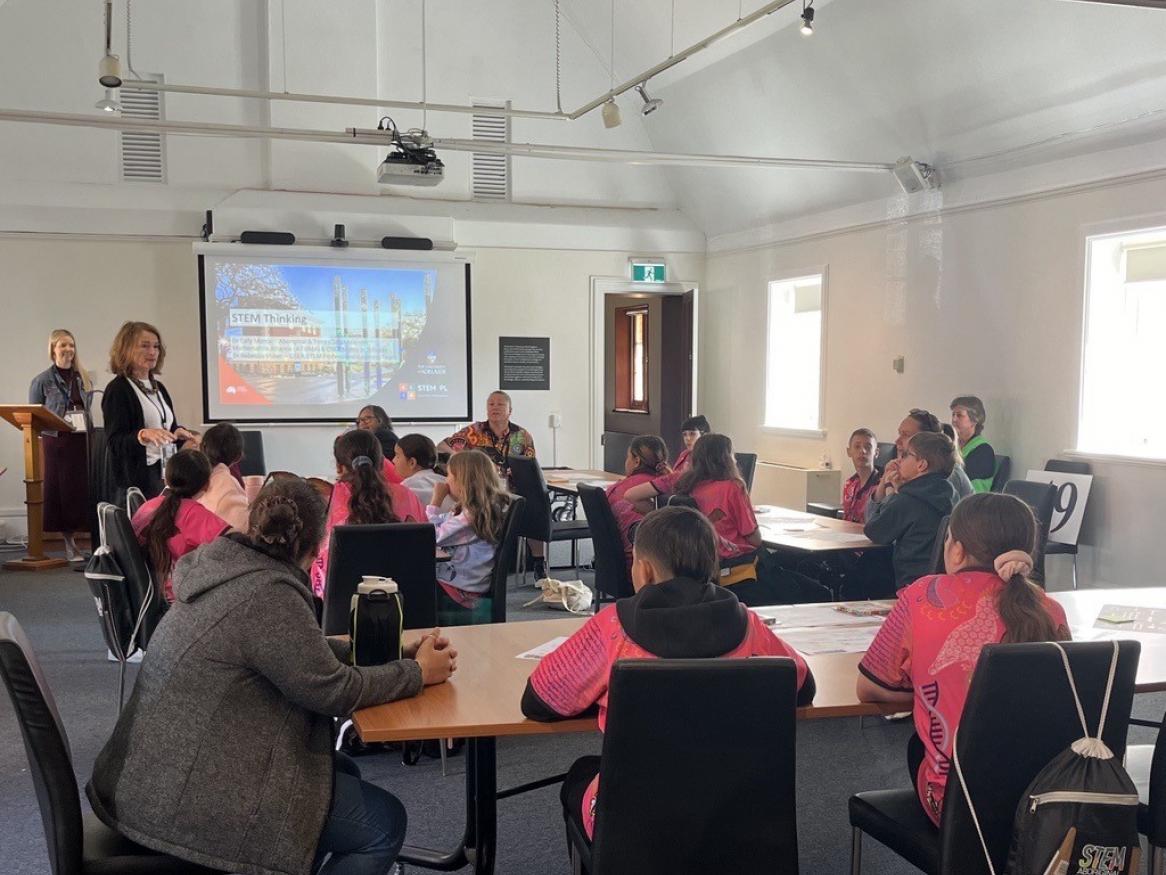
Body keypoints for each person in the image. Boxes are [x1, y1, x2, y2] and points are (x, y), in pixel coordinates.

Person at [88, 476, 457, 875]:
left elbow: (300, 653)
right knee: (383, 825)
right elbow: (332, 690)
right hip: (181, 802)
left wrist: (393, 652)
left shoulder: (228, 568)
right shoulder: (268, 596)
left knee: (339, 770)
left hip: (149, 779)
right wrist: (416, 672)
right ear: (317, 547)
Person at [521, 506, 816, 841]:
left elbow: (538, 700)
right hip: (737, 812)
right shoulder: (748, 625)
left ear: (644, 571)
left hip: (636, 821)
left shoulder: (614, 628)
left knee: (580, 775)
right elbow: (802, 687)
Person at [856, 492, 1070, 825]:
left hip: (960, 808)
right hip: (1044, 806)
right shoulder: (1049, 610)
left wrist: (934, 692)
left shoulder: (922, 596)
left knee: (918, 748)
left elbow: (869, 688)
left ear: (956, 549)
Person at [621, 434, 768, 602]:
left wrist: (666, 517)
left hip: (694, 560)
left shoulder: (679, 479)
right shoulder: (733, 487)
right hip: (734, 564)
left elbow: (631, 495)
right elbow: (754, 539)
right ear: (726, 458)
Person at [310, 429, 427, 597]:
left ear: (339, 467)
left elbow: (322, 569)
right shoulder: (407, 496)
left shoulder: (331, 500)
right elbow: (422, 549)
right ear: (382, 463)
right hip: (405, 603)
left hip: (344, 609)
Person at [102, 321, 200, 500]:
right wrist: (142, 435)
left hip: (164, 473)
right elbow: (114, 442)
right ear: (126, 349)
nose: (152, 352)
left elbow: (166, 428)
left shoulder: (159, 387)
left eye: (156, 346)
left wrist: (177, 432)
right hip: (136, 479)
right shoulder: (118, 389)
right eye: (145, 346)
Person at [428, 449, 513, 625]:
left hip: (461, 589)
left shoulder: (470, 516)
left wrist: (435, 502)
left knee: (408, 586)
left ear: (462, 481)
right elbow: (444, 524)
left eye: (449, 476)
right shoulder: (481, 507)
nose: (446, 481)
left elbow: (432, 536)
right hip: (468, 582)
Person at [131, 449, 230, 603]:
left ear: (166, 480)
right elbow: (232, 544)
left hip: (147, 595)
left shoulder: (147, 506)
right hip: (181, 597)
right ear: (207, 484)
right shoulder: (193, 513)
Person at [864, 431, 959, 590]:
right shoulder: (952, 495)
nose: (899, 460)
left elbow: (874, 531)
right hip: (940, 586)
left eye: (906, 455)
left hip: (909, 585)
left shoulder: (907, 500)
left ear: (921, 465)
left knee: (865, 568)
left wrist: (891, 492)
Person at [28, 329, 92, 561]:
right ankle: (68, 542)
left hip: (80, 440)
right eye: (63, 345)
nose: (68, 350)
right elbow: (33, 416)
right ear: (53, 349)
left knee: (79, 491)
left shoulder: (83, 378)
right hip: (56, 443)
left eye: (71, 345)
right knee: (61, 492)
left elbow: (87, 409)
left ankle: (79, 541)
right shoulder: (41, 381)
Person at [606, 435, 671, 572]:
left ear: (636, 461)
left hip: (621, 565)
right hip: (651, 569)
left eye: (627, 457)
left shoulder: (615, 489)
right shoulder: (665, 487)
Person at [438, 390, 535, 477]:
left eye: (500, 404)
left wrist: (519, 471)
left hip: (514, 491)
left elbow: (531, 467)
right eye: (491, 404)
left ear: (510, 411)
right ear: (487, 410)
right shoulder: (473, 431)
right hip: (480, 489)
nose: (495, 407)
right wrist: (464, 461)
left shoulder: (522, 435)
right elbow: (441, 447)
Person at [892, 408, 973, 499]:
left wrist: (896, 490)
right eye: (899, 434)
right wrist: (884, 483)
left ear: (926, 439)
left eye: (906, 435)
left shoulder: (948, 477)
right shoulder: (905, 469)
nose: (897, 441)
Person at [196, 422, 250, 531]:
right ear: (238, 457)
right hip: (218, 544)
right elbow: (243, 529)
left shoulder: (189, 476)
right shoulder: (228, 486)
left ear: (201, 447)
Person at [393, 433, 453, 510]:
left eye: (397, 456)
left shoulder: (408, 487)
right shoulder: (443, 480)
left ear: (412, 463)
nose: (393, 460)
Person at [950, 395, 996, 493]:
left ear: (974, 420)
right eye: (953, 415)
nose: (954, 419)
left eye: (959, 415)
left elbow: (966, 487)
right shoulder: (953, 445)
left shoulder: (983, 451)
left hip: (972, 503)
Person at [842, 427, 882, 524]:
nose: (862, 451)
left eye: (868, 447)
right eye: (857, 446)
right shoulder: (849, 484)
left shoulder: (881, 485)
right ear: (849, 451)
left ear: (876, 453)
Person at [356, 405, 404, 483]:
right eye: (360, 420)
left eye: (367, 418)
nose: (362, 423)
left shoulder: (384, 436)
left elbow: (374, 463)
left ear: (380, 420)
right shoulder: (373, 437)